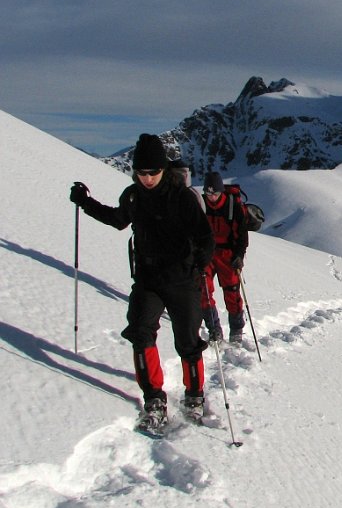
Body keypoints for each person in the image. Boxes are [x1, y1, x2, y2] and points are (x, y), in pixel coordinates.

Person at [69, 134, 214, 432]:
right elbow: (118, 219)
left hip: (182, 278)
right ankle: (154, 398)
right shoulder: (133, 195)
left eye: (153, 173)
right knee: (140, 332)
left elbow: (205, 236)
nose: (147, 179)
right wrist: (85, 203)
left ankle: (195, 395)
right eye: (141, 173)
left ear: (163, 169)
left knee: (188, 340)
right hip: (148, 277)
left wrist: (200, 262)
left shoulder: (182, 197)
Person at [201, 171, 248, 344]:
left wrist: (239, 255)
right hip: (207, 252)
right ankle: (214, 328)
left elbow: (242, 234)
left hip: (228, 253)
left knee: (232, 291)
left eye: (215, 193)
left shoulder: (233, 206)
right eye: (209, 193)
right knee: (203, 289)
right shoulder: (201, 204)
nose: (212, 197)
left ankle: (236, 328)